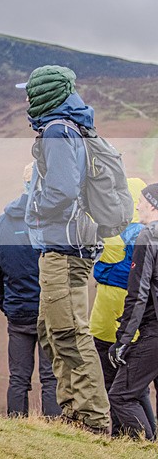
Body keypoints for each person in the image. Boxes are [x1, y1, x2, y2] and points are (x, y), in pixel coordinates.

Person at [20, 65, 111, 433]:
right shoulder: (74, 126)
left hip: (64, 247)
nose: (26, 99)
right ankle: (75, 411)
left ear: (45, 94)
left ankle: (90, 420)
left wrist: (35, 211)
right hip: (73, 244)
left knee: (69, 331)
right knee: (53, 328)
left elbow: (63, 190)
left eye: (30, 92)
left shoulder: (58, 130)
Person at [0, 163, 60, 418]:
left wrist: (6, 303)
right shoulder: (54, 221)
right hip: (49, 310)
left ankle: (16, 425)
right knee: (50, 377)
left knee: (18, 377)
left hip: (17, 312)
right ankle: (54, 428)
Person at [90, 177, 156, 436]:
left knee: (121, 390)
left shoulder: (135, 234)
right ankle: (135, 440)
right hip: (129, 325)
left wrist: (101, 271)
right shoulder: (128, 232)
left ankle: (134, 441)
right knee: (132, 389)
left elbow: (132, 282)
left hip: (125, 325)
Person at [108, 183, 158, 440]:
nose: (138, 206)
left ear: (152, 205)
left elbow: (137, 293)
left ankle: (146, 447)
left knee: (121, 395)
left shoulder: (148, 235)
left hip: (154, 331)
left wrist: (122, 341)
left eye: (141, 201)